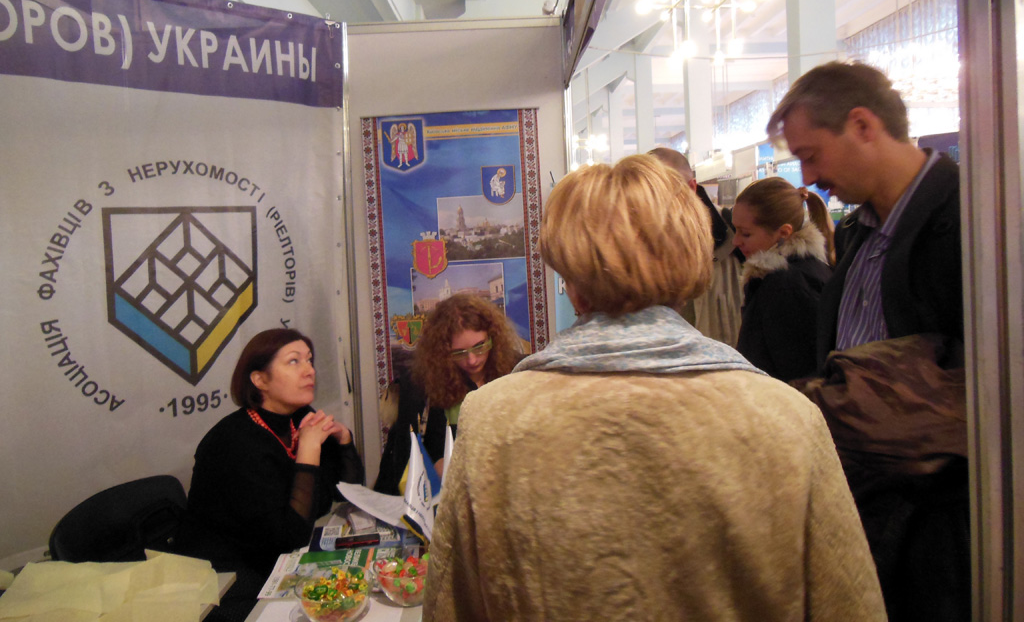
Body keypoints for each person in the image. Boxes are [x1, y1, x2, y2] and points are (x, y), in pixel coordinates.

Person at [423, 155, 885, 622]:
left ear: (571, 283)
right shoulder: (787, 417)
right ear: (692, 262)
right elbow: (848, 603)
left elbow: (450, 607)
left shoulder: (493, 421)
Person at [768, 60, 967, 621]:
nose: (808, 178)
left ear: (861, 125)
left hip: (941, 525)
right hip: (873, 511)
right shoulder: (860, 231)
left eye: (811, 154)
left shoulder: (969, 220)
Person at [176, 328, 363, 621]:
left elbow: (348, 491)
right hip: (226, 579)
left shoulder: (298, 417)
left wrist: (344, 440)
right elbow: (289, 535)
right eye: (294, 361)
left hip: (275, 560)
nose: (309, 371)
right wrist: (309, 450)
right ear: (260, 380)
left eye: (309, 360)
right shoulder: (234, 442)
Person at [373, 294, 521, 495]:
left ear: (493, 337)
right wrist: (434, 465)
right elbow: (407, 455)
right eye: (459, 352)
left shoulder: (517, 372)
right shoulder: (421, 385)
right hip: (445, 496)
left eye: (480, 346)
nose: (472, 360)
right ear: (442, 351)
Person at [732, 177, 834, 381]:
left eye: (746, 234)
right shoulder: (801, 272)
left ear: (784, 233)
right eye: (735, 230)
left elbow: (798, 372)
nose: (736, 241)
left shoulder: (786, 285)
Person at [647, 147, 744, 346]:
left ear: (691, 187)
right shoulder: (634, 248)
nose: (655, 203)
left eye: (666, 191)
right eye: (648, 193)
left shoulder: (737, 236)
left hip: (730, 362)